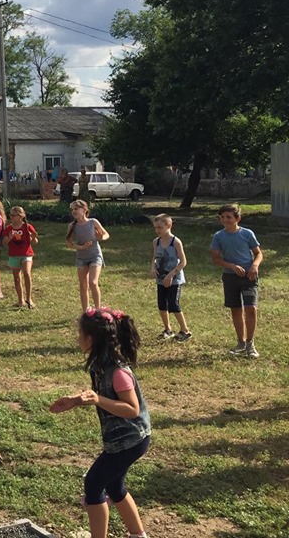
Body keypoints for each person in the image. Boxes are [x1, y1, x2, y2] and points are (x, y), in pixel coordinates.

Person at [50, 307, 151, 538]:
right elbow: (100, 398)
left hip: (131, 440)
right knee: (115, 487)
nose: (77, 339)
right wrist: (76, 401)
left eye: (80, 335)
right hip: (123, 440)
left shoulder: (118, 372)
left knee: (94, 485)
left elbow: (132, 409)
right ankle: (138, 535)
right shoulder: (100, 367)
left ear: (92, 339)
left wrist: (98, 399)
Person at [210, 203, 263, 358]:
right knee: (236, 309)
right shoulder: (218, 236)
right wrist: (231, 266)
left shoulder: (247, 234)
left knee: (251, 309)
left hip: (249, 276)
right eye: (222, 217)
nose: (225, 220)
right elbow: (216, 258)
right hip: (230, 276)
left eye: (228, 217)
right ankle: (241, 342)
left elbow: (258, 253)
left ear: (237, 218)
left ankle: (250, 344)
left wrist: (254, 265)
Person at [150, 214, 191, 342]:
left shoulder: (176, 242)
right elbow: (155, 257)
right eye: (156, 228)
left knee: (174, 304)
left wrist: (172, 274)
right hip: (161, 278)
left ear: (169, 226)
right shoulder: (156, 241)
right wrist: (153, 267)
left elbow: (183, 261)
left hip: (174, 279)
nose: (157, 230)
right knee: (162, 304)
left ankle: (185, 330)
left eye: (160, 227)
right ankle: (168, 329)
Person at [66, 200, 110, 311]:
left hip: (95, 255)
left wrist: (101, 238)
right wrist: (81, 247)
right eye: (72, 209)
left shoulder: (93, 222)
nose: (74, 211)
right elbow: (69, 244)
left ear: (84, 210)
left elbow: (106, 234)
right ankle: (86, 312)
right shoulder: (72, 226)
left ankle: (98, 310)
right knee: (83, 285)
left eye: (76, 209)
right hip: (81, 258)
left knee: (93, 282)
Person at [2, 206, 38, 309]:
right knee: (17, 278)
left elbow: (35, 242)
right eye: (10, 215)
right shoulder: (9, 228)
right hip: (14, 255)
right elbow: (4, 242)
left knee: (27, 273)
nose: (11, 217)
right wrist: (9, 238)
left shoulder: (27, 227)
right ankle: (20, 300)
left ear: (21, 216)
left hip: (26, 254)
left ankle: (29, 298)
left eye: (14, 215)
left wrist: (33, 237)